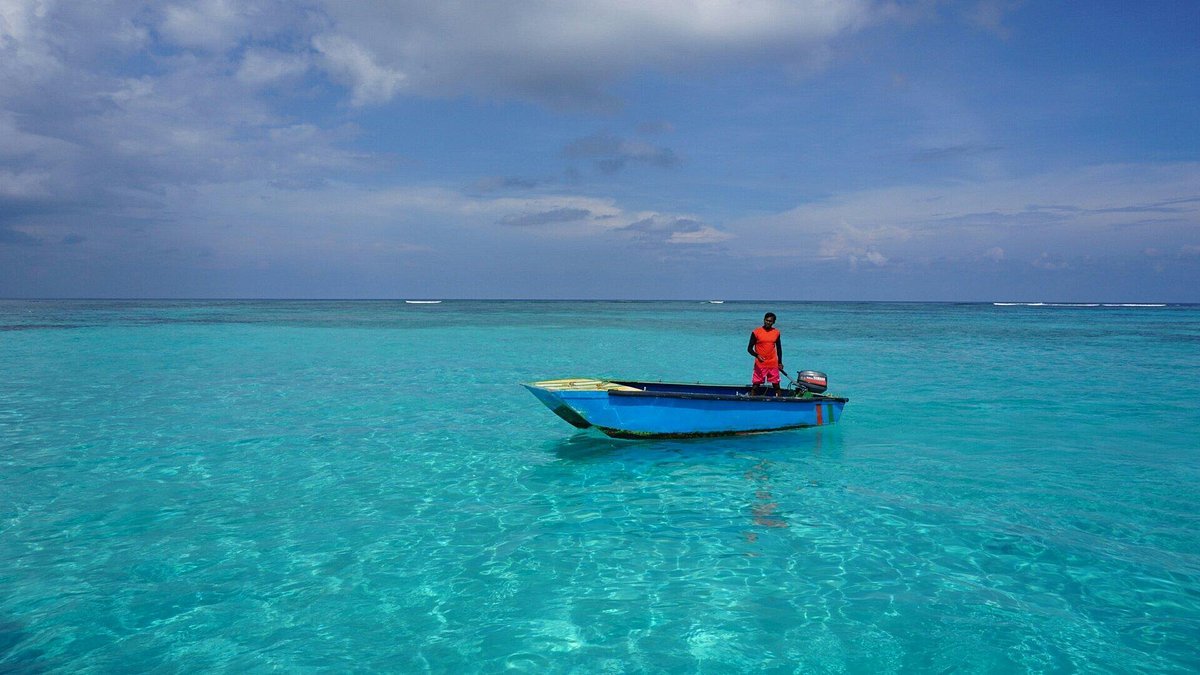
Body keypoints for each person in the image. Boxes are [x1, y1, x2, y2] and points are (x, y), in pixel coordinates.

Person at [748, 312, 783, 396]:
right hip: (760, 364)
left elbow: (779, 348)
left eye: (770, 321)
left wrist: (780, 362)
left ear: (773, 322)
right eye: (766, 320)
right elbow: (749, 349)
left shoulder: (776, 332)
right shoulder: (756, 332)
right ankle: (751, 402)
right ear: (764, 320)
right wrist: (757, 355)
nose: (768, 322)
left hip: (773, 364)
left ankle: (780, 402)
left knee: (776, 386)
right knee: (755, 386)